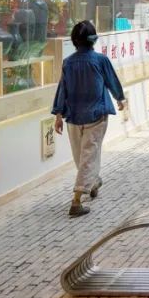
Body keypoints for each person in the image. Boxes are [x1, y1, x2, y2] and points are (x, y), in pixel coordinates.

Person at [51, 20, 126, 217]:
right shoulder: (100, 60)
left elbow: (62, 90)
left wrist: (58, 115)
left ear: (74, 41)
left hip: (73, 116)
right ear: (93, 40)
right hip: (96, 115)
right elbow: (112, 81)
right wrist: (120, 98)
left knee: (83, 157)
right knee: (88, 156)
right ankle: (78, 199)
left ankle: (83, 191)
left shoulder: (68, 63)